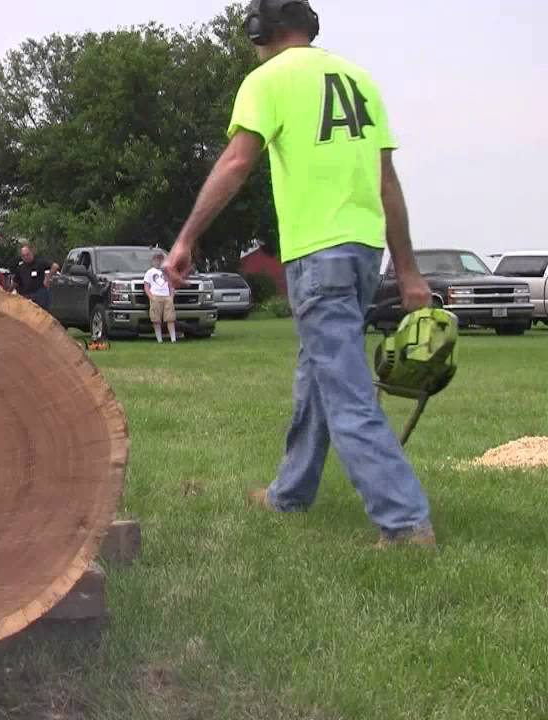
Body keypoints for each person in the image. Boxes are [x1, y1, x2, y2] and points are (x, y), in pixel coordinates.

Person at [162, 0, 435, 547]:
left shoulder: (268, 79)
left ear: (260, 31)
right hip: (361, 254)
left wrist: (187, 238)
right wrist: (406, 270)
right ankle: (290, 493)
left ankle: (404, 523)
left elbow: (237, 162)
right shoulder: (359, 80)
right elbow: (387, 183)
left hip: (318, 255)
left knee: (346, 392)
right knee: (317, 376)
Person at [144, 252, 178, 343]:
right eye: (156, 259)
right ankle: (159, 340)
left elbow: (171, 285)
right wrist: (151, 297)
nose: (158, 262)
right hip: (155, 296)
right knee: (156, 319)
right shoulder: (149, 272)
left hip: (167, 297)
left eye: (160, 259)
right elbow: (146, 286)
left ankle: (173, 339)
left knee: (170, 318)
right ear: (153, 261)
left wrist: (171, 296)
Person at [12, 244, 52, 310]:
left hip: (39, 296)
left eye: (27, 254)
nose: (26, 257)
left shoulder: (40, 263)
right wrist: (7, 291)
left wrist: (47, 278)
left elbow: (54, 266)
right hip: (26, 297)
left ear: (32, 253)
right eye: (23, 255)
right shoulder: (20, 268)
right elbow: (15, 282)